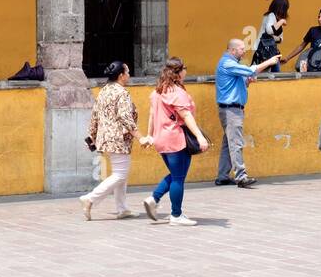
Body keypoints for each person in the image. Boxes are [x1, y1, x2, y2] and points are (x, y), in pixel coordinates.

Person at [140, 58, 210, 226]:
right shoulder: (176, 93)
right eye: (184, 69)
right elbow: (186, 116)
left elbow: (151, 115)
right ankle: (176, 215)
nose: (186, 72)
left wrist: (150, 135)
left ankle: (154, 198)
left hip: (160, 140)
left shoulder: (157, 91)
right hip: (175, 139)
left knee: (175, 174)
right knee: (178, 178)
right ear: (179, 72)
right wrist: (200, 136)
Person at [214, 38, 280, 188]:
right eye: (242, 49)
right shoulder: (227, 63)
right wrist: (269, 62)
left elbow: (244, 79)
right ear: (232, 50)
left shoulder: (233, 65)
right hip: (231, 110)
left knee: (229, 143)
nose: (244, 51)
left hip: (233, 109)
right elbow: (251, 70)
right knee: (236, 143)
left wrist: (247, 82)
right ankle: (241, 176)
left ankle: (223, 176)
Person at [80, 61, 139, 219]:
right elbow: (125, 117)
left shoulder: (104, 91)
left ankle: (122, 208)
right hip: (119, 138)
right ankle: (90, 199)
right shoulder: (122, 93)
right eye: (127, 72)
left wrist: (92, 136)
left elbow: (95, 116)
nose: (129, 75)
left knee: (121, 174)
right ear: (121, 75)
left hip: (106, 138)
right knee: (120, 174)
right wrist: (140, 136)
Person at [254, 0, 288, 72]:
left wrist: (273, 37)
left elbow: (280, 39)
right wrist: (281, 22)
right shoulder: (271, 15)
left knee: (275, 73)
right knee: (266, 74)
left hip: (272, 51)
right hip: (263, 50)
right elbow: (269, 31)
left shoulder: (278, 19)